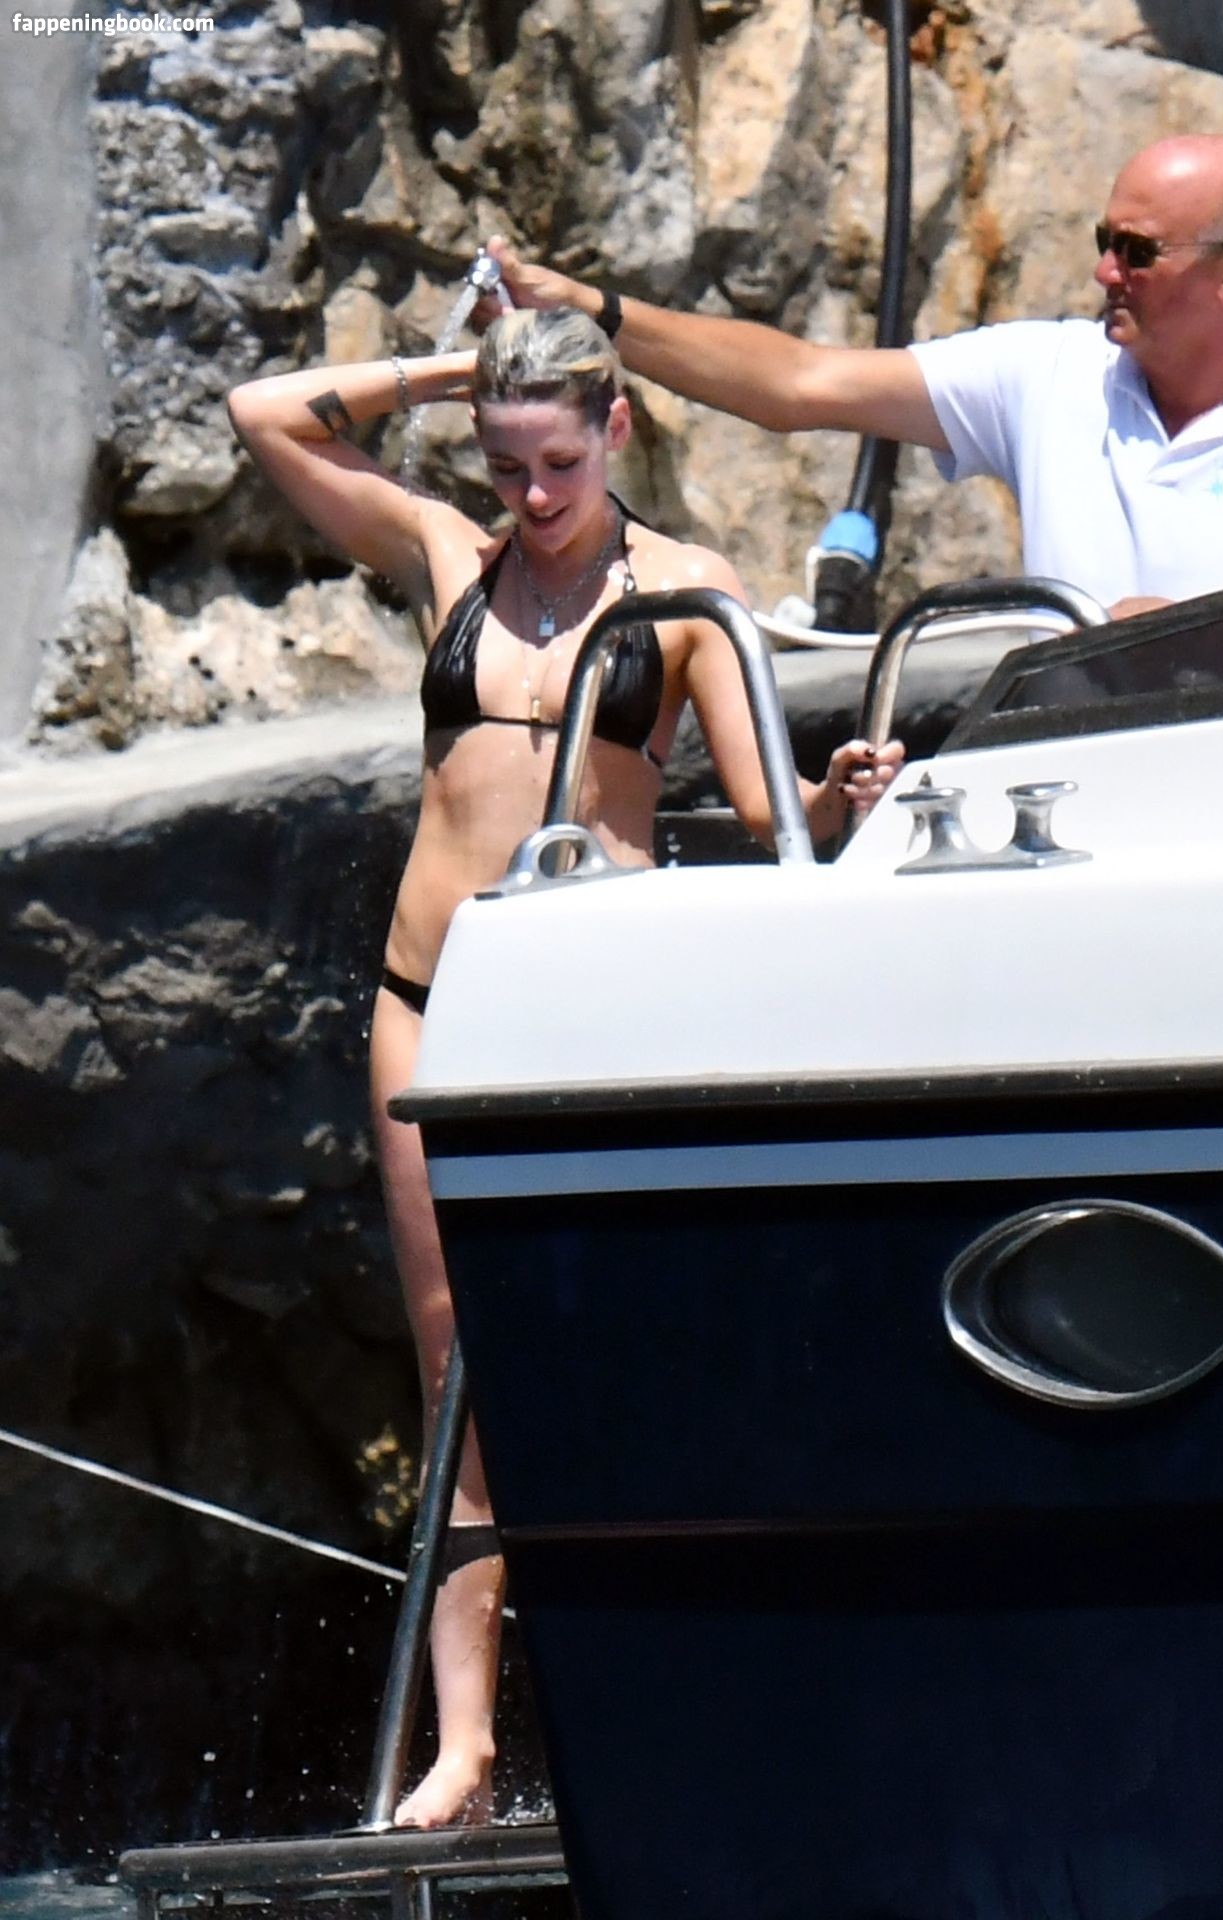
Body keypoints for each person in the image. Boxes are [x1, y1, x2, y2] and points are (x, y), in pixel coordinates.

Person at [227, 307, 903, 1830]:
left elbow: (767, 810)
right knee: (453, 1362)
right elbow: (264, 412)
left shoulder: (685, 594)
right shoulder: (448, 557)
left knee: (621, 1352)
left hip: (591, 1005)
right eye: (504, 464)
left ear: (614, 431)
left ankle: (690, 1709)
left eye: (557, 463)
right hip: (428, 1000)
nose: (531, 497)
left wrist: (841, 795)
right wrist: (448, 370)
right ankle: (463, 1749)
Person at [485, 135, 1223, 619]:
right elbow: (798, 383)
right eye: (1104, 241)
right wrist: (592, 309)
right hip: (1072, 789)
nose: (1104, 272)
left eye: (1137, 252)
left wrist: (1184, 639)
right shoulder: (1051, 374)